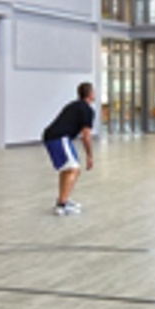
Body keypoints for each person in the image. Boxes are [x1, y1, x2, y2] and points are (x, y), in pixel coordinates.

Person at [42, 82, 96, 216]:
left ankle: (63, 199)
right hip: (60, 138)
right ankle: (61, 206)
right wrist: (90, 156)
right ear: (90, 95)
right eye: (94, 92)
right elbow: (86, 136)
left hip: (51, 136)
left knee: (67, 169)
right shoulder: (88, 110)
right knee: (74, 170)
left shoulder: (73, 105)